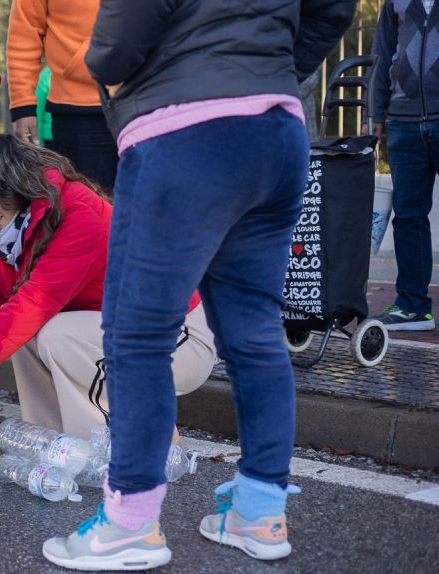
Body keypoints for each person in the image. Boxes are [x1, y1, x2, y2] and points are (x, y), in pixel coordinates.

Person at [39, 1, 355, 570]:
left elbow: (115, 44)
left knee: (138, 335)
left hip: (184, 131)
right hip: (276, 130)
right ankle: (259, 511)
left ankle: (129, 524)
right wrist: (269, 67)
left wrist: (112, 70)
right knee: (255, 329)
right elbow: (334, 8)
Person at [0, 134, 215, 440]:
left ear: (13, 185)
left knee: (53, 333)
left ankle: (127, 445)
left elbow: (30, 307)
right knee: (26, 335)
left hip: (178, 340)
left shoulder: (81, 217)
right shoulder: (16, 229)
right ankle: (51, 441)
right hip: (121, 336)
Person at [370, 0, 438, 331]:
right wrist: (375, 113)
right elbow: (381, 53)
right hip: (403, 120)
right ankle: (412, 307)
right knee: (408, 216)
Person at [7, 0, 119, 191]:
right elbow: (25, 34)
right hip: (78, 114)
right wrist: (23, 103)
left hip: (151, 102)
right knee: (87, 207)